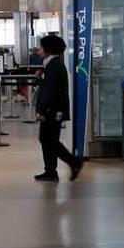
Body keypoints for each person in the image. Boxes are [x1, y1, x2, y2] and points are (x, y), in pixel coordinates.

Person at [34, 34, 84, 182]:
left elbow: (51, 92)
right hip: (53, 109)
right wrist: (40, 78)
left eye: (41, 47)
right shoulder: (52, 64)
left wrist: (43, 110)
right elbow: (48, 87)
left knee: (49, 140)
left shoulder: (54, 66)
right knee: (47, 139)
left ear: (48, 50)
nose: (39, 50)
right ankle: (50, 171)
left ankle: (73, 162)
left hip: (53, 110)